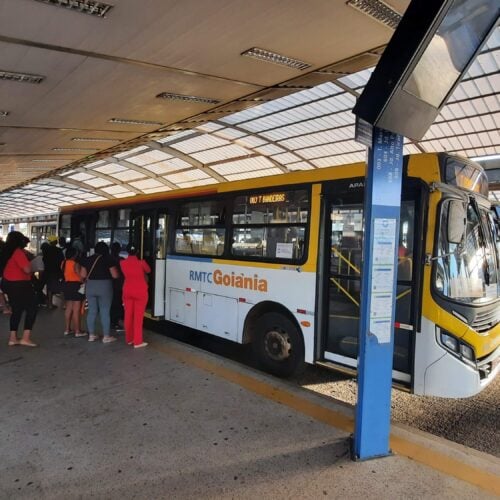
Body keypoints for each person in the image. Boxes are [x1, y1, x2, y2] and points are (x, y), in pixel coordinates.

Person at [0, 231, 38, 347]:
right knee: (32, 308)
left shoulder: (6, 252)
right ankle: (25, 338)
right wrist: (31, 269)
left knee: (16, 310)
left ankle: (13, 338)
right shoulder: (17, 252)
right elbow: (26, 269)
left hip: (8, 284)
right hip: (20, 284)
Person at [79, 241, 119, 343]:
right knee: (105, 311)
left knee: (92, 311)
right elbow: (115, 275)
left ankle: (91, 335)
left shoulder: (87, 260)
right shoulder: (109, 259)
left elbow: (83, 275)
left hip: (90, 287)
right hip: (105, 287)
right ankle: (106, 336)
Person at [120, 243, 151, 348]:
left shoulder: (122, 263)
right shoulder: (141, 263)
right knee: (138, 317)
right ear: (137, 251)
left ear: (127, 251)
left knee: (128, 315)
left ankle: (129, 339)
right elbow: (149, 270)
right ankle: (137, 341)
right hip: (140, 292)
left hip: (127, 291)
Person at [61, 247, 86, 337]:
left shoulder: (63, 263)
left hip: (67, 285)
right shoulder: (75, 264)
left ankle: (67, 329)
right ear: (74, 254)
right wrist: (84, 282)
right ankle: (77, 331)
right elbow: (80, 276)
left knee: (68, 308)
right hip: (76, 286)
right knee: (76, 310)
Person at [43, 235, 64, 309]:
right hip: (57, 271)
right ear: (56, 242)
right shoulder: (59, 250)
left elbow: (44, 260)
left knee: (49, 287)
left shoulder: (46, 251)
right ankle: (63, 304)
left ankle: (50, 304)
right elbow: (62, 261)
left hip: (48, 271)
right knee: (61, 286)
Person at [110, 242, 124, 331]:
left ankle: (113, 322)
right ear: (119, 250)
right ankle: (118, 321)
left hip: (110, 285)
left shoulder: (108, 259)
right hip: (119, 285)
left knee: (112, 304)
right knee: (118, 304)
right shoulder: (122, 260)